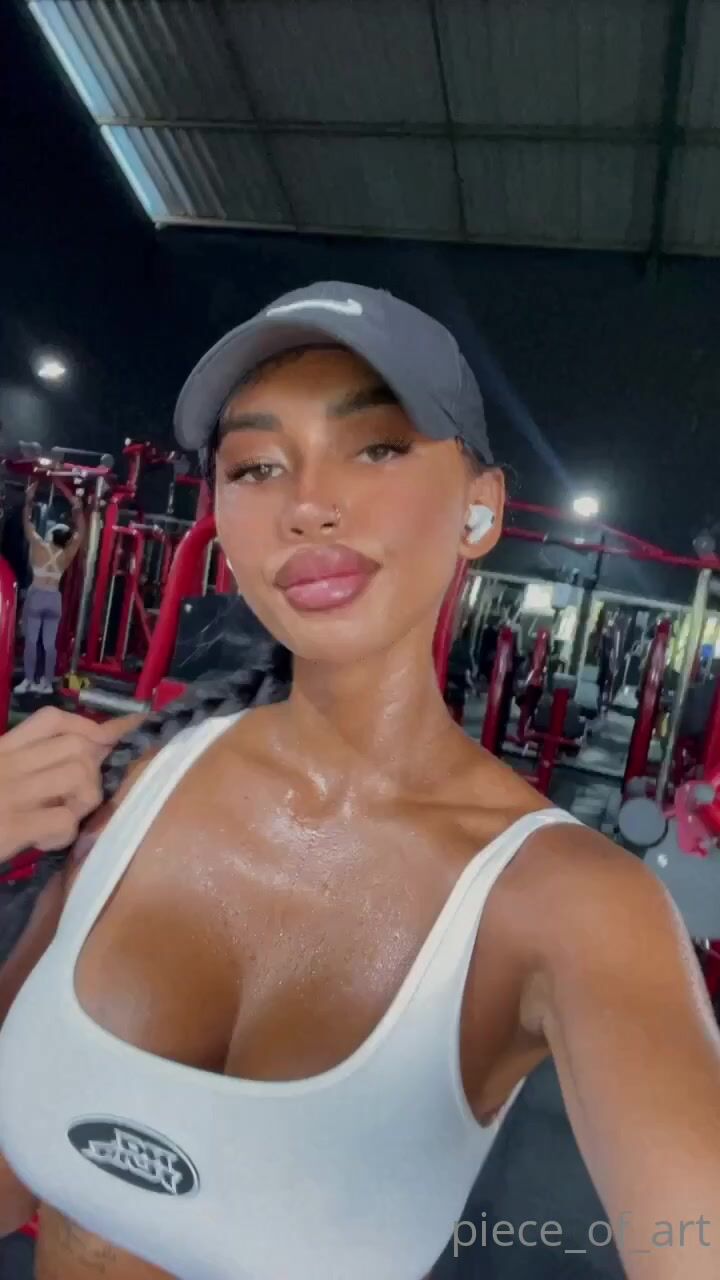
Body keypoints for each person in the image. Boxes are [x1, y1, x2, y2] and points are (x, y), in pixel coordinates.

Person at [0, 282, 718, 1280]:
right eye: (256, 466)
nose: (306, 504)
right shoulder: (132, 781)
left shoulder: (572, 907)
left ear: (481, 507)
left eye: (376, 447)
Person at [15, 483, 86, 695]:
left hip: (37, 596)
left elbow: (27, 521)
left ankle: (29, 680)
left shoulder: (38, 545)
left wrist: (29, 500)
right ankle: (46, 683)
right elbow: (81, 531)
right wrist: (77, 508)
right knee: (49, 644)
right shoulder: (67, 554)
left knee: (31, 642)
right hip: (54, 599)